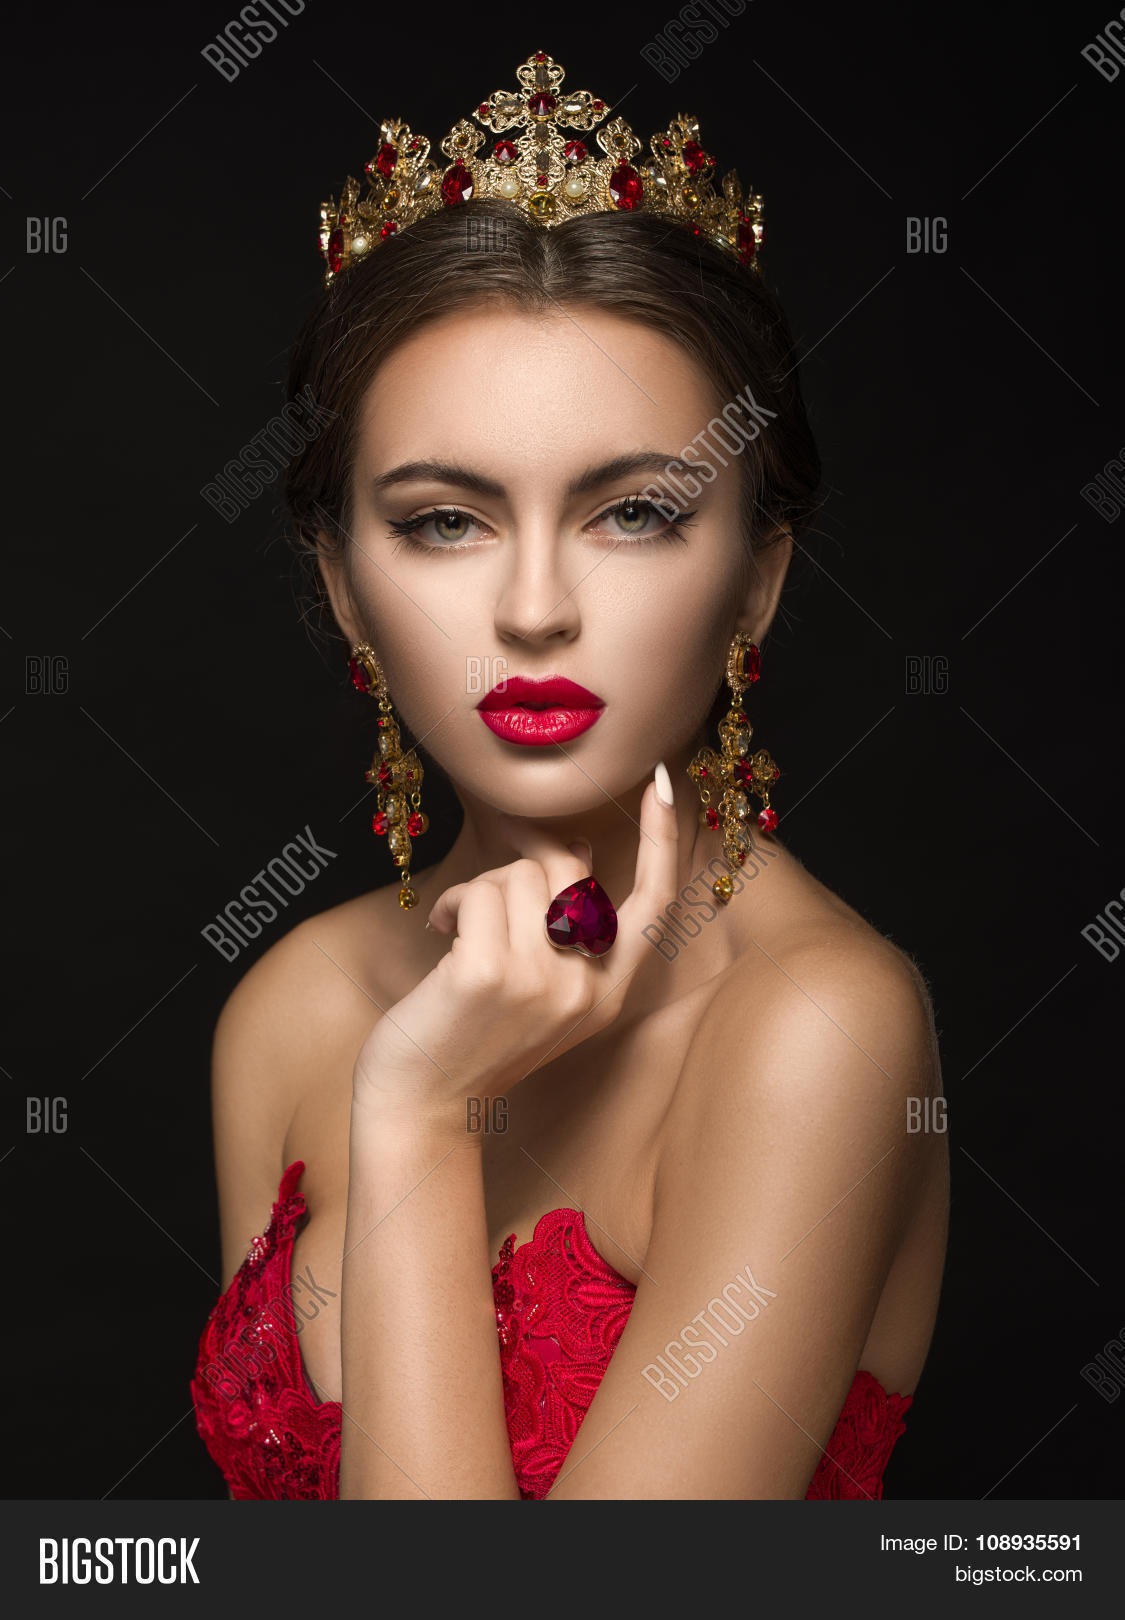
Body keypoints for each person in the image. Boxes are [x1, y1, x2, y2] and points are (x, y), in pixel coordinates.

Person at [192, 49, 948, 1500]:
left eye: (634, 513)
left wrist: (415, 1120)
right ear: (343, 588)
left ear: (754, 582)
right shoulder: (291, 1010)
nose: (535, 608)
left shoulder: (813, 1029)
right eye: (443, 523)